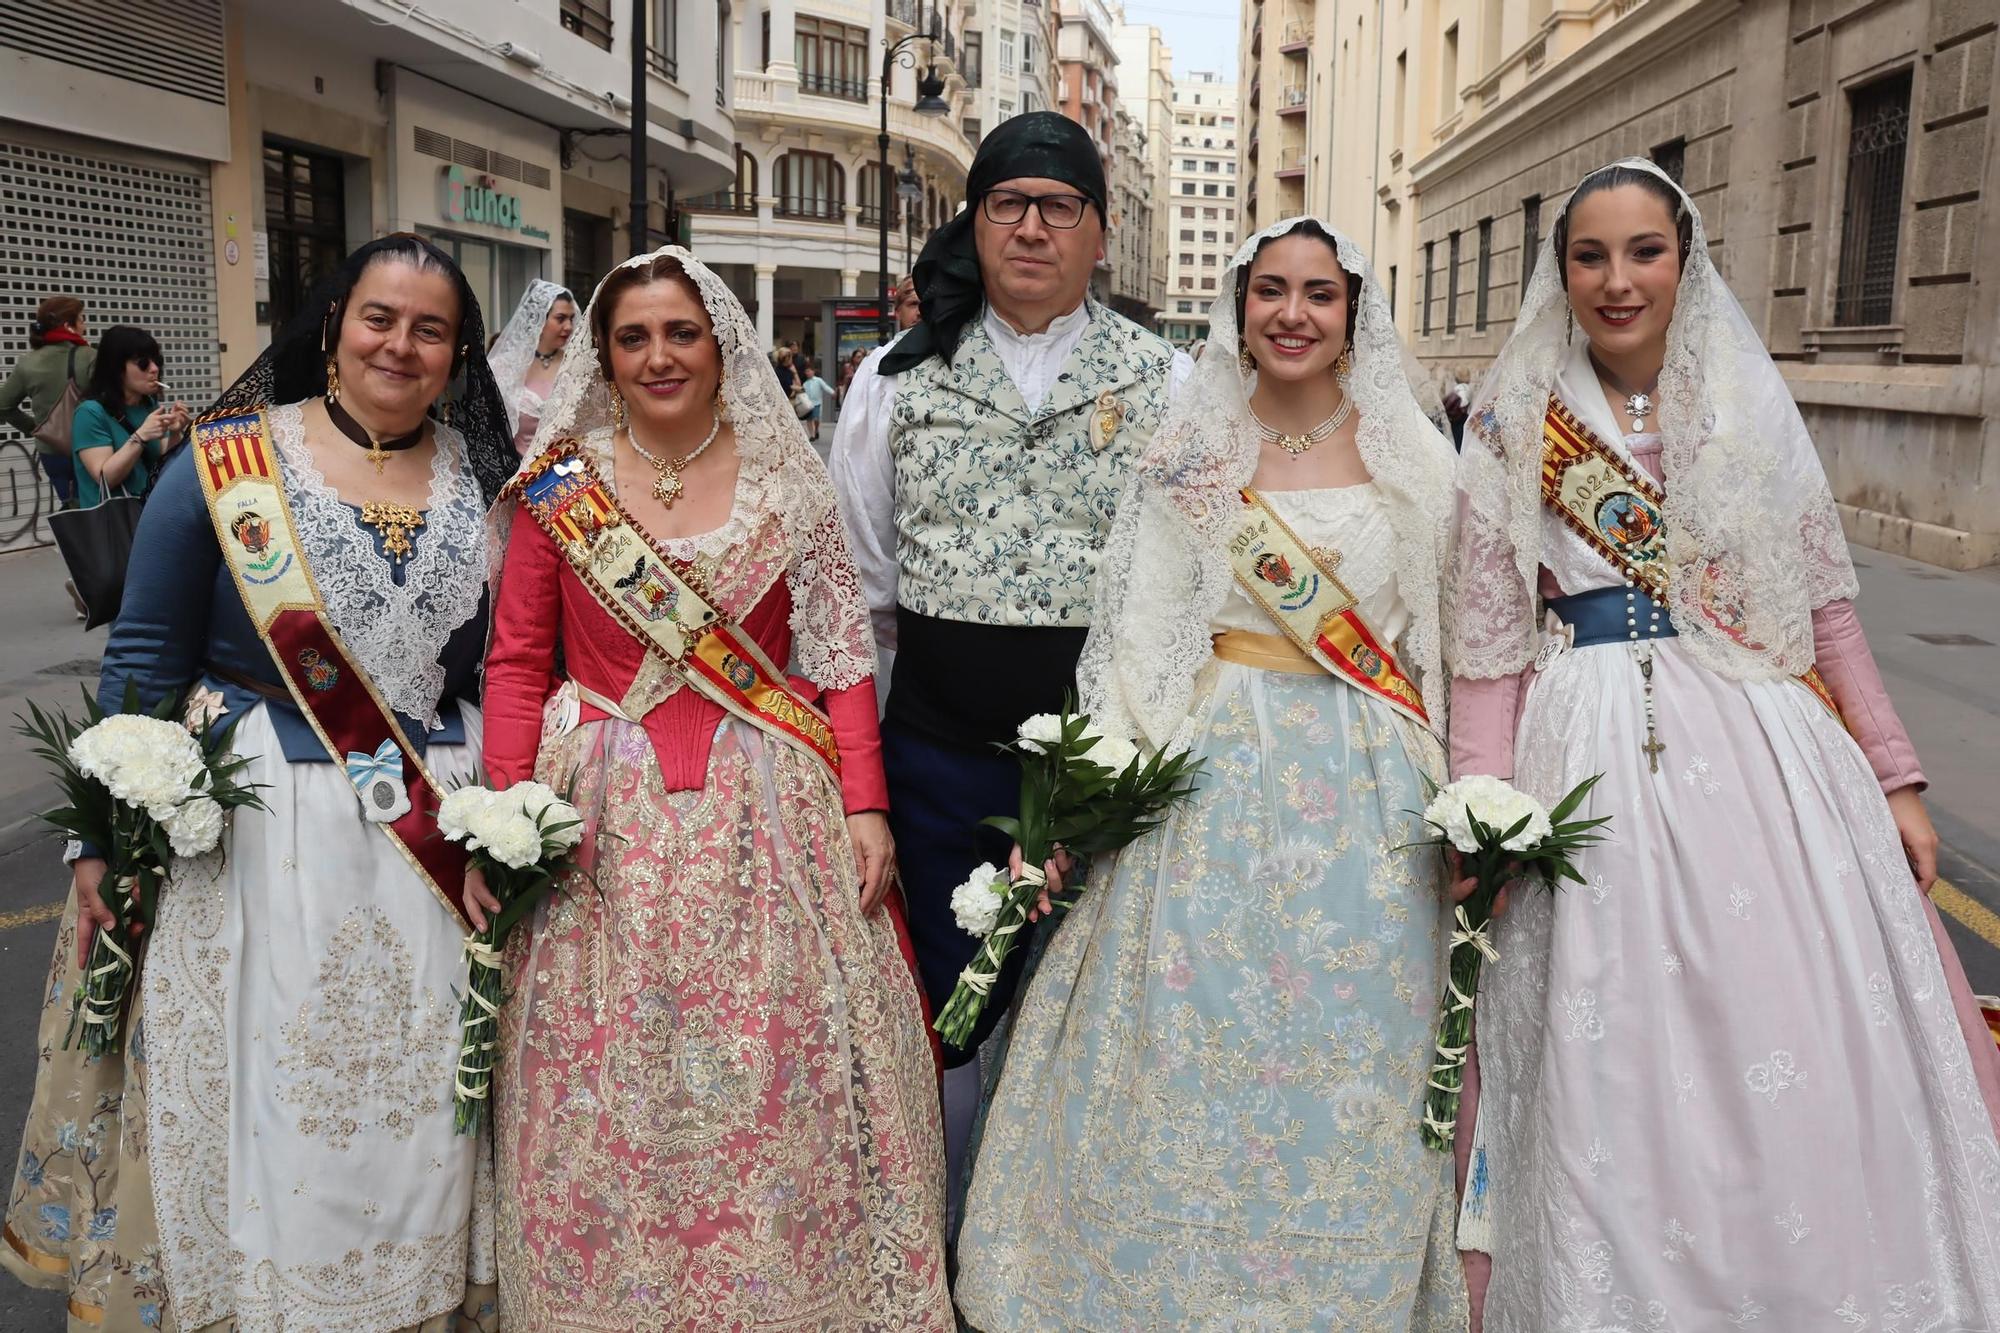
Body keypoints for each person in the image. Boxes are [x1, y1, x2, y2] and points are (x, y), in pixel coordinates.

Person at [1447, 159, 2000, 1329]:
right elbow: (1485, 632)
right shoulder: (1512, 417)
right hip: (1582, 739)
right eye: (1588, 256)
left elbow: (1823, 602)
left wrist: (1895, 778)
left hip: (1759, 745)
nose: (1615, 279)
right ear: (1561, 273)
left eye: (1641, 251)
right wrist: (1479, 800)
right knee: (1610, 1050)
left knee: (1780, 1029)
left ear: (1683, 260)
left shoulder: (1743, 404)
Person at [955, 218, 1469, 1329]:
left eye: (1318, 294)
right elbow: (1141, 639)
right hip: (1208, 788)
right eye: (1270, 290)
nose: (1292, 313)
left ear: (1351, 316)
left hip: (1370, 805)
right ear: (1237, 306)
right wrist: (1085, 801)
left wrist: (1471, 801)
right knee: (1190, 1056)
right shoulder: (1190, 455)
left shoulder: (1416, 462)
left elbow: (1445, 649)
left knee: (1347, 1068)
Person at [1, 233, 517, 1332]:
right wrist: (98, 842)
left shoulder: (490, 485)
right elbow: (142, 654)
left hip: (431, 842)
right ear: (331, 324)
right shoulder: (228, 464)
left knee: (419, 1101)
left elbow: (500, 666)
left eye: (432, 328)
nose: (402, 344)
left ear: (459, 353)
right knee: (267, 1094)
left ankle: (411, 1294)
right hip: (259, 840)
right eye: (380, 316)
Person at [476, 247, 951, 1329]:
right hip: (596, 817)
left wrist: (865, 802)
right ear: (603, 354)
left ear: (720, 343)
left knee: (787, 1068)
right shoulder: (562, 484)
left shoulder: (788, 475)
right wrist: (508, 807)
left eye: (679, 333)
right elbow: (515, 664)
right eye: (633, 337)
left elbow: (834, 656)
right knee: (607, 1077)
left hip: (768, 811)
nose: (658, 356)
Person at [828, 109, 1193, 1225]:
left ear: (1098, 232)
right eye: (1006, 205)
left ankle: (1054, 1252)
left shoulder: (1171, 383)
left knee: (1083, 1026)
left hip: (1103, 780)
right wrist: (868, 783)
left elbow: (1186, 589)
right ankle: (940, 1243)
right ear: (975, 222)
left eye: (1056, 207)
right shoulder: (894, 379)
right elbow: (862, 587)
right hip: (937, 764)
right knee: (944, 1019)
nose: (1030, 229)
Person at [70, 325, 189, 507]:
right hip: (115, 522)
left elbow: (162, 460)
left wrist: (175, 433)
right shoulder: (90, 413)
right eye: (143, 363)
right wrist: (141, 436)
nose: (154, 369)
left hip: (150, 511)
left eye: (156, 361)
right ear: (116, 367)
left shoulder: (148, 405)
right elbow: (105, 477)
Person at [0, 295, 95, 505]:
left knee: (71, 511)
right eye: (81, 319)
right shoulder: (89, 356)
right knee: (95, 509)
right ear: (68, 325)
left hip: (51, 452)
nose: (85, 325)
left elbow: (3, 405)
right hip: (90, 447)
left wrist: (38, 429)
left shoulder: (28, 362)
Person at [487, 279, 576, 454]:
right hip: (517, 471)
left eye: (571, 319)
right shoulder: (503, 367)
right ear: (539, 317)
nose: (569, 327)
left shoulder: (574, 365)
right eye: (560, 319)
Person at [798, 355, 833, 442]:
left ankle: (816, 430)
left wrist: (832, 392)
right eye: (806, 371)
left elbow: (825, 387)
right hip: (808, 404)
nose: (808, 373)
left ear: (813, 372)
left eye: (809, 371)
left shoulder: (818, 380)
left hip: (817, 403)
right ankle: (812, 435)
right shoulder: (805, 384)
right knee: (809, 420)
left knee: (816, 419)